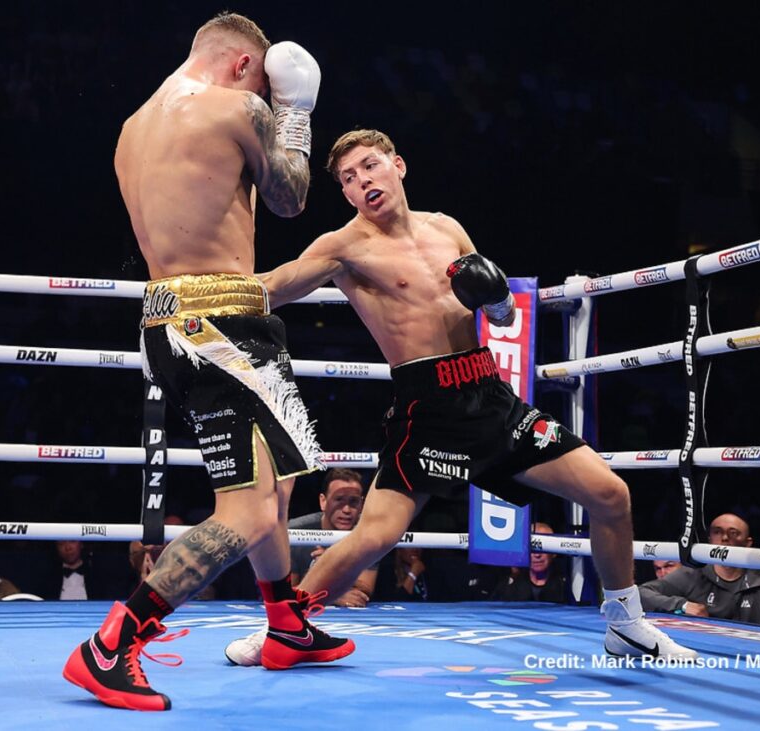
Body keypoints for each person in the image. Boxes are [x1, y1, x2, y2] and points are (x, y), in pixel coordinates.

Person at [226, 128, 696, 665]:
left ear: (397, 166)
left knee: (610, 495)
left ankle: (626, 625)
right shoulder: (344, 247)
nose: (363, 182)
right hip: (427, 409)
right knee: (374, 536)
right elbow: (276, 285)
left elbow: (502, 313)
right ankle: (283, 631)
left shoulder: (446, 227)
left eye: (370, 166)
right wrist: (205, 292)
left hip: (489, 395)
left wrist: (496, 301)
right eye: (350, 179)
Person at [63, 13, 351, 712]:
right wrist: (296, 113)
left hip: (175, 318)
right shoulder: (240, 106)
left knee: (278, 482)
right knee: (249, 511)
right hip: (221, 323)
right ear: (246, 66)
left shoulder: (132, 128)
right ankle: (110, 645)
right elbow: (289, 197)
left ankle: (286, 623)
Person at [639, 513, 760, 627]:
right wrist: (682, 605)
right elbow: (641, 593)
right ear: (710, 539)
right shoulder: (693, 574)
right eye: (717, 532)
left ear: (747, 542)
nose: (724, 537)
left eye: (733, 533)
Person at [288, 468, 378, 606]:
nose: (347, 510)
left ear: (362, 504)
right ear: (323, 501)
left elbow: (365, 589)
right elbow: (286, 592)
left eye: (353, 501)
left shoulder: (369, 532)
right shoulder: (294, 531)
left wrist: (332, 564)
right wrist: (330, 596)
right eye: (339, 500)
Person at [492, 522, 568, 602]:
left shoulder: (567, 585)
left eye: (542, 548)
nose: (537, 555)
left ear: (554, 552)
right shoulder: (509, 585)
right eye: (532, 549)